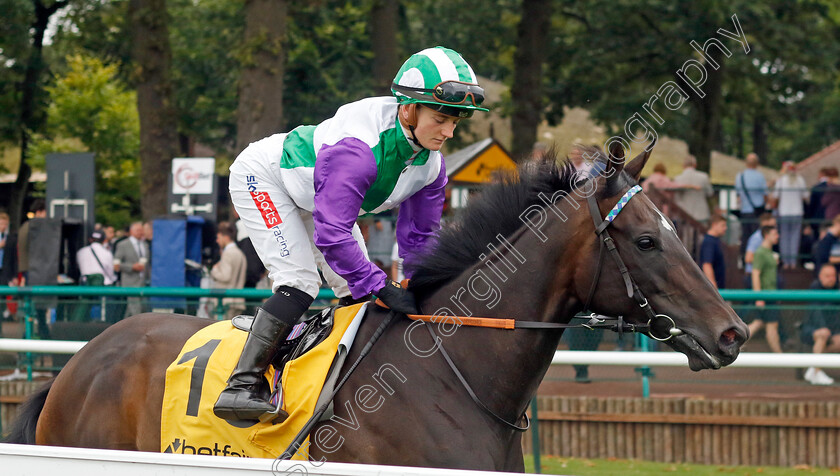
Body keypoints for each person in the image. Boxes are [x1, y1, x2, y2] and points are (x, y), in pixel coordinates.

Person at [215, 46, 488, 422]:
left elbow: (420, 240)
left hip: (318, 200)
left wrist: (422, 287)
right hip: (264, 178)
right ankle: (240, 387)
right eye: (441, 118)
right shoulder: (358, 151)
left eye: (456, 121)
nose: (449, 132)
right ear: (408, 109)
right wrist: (383, 286)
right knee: (299, 282)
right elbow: (332, 234)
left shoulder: (431, 166)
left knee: (353, 294)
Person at [801, 264, 839, 385]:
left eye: (833, 276)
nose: (831, 279)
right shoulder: (815, 288)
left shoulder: (837, 288)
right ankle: (817, 372)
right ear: (820, 277)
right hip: (810, 329)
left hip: (831, 331)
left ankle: (813, 366)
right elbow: (816, 313)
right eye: (827, 276)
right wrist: (824, 328)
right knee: (822, 334)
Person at [748, 225, 782, 353]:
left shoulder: (768, 252)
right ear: (767, 235)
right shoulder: (761, 252)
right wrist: (759, 296)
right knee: (771, 326)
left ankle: (734, 344)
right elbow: (755, 273)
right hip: (765, 295)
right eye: (775, 234)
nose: (777, 236)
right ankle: (781, 358)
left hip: (771, 294)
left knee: (758, 323)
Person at [772, 161, 808, 268]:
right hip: (796, 212)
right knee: (794, 237)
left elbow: (775, 195)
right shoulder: (800, 180)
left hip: (785, 212)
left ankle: (786, 262)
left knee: (784, 237)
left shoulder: (782, 181)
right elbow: (805, 195)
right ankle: (792, 261)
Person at [211, 222, 248, 319]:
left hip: (225, 302)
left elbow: (225, 276)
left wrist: (214, 270)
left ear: (226, 237)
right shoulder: (240, 253)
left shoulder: (228, 253)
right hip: (238, 301)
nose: (217, 241)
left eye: (219, 237)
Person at [114, 221, 150, 319]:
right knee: (136, 310)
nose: (141, 232)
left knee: (139, 309)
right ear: (131, 231)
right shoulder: (122, 244)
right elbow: (116, 264)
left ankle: (123, 329)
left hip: (143, 282)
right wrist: (132, 267)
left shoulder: (145, 245)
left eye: (142, 230)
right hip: (130, 282)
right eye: (138, 230)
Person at [734, 153, 767, 255]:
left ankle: (744, 258)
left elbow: (738, 195)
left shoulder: (740, 176)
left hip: (744, 210)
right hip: (757, 212)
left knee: (745, 235)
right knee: (757, 235)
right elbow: (765, 194)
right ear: (757, 164)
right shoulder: (760, 176)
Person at [673, 154, 714, 224]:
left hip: (684, 214)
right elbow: (710, 193)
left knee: (685, 234)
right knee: (701, 234)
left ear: (683, 166)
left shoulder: (677, 179)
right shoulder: (704, 177)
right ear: (695, 165)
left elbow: (677, 198)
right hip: (701, 214)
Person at [743, 213, 777, 287]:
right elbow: (748, 258)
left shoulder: (761, 238)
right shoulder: (757, 238)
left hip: (761, 276)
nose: (774, 228)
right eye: (772, 226)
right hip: (752, 276)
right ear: (765, 223)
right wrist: (768, 260)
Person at [700, 215, 728, 289]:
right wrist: (713, 287)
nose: (725, 228)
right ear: (714, 225)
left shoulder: (715, 241)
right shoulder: (709, 242)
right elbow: (706, 264)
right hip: (713, 291)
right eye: (723, 225)